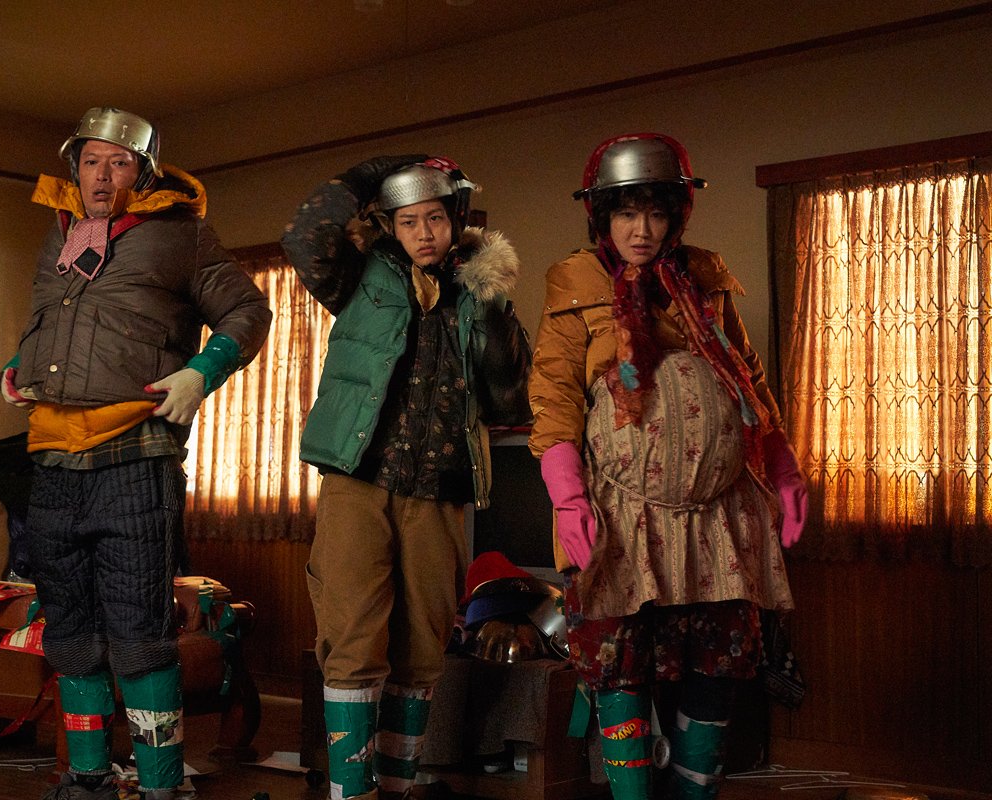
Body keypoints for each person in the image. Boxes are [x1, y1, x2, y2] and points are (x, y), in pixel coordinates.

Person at [0, 107, 272, 800]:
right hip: (53, 460)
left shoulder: (182, 235)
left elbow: (249, 312)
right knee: (70, 632)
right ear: (75, 167)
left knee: (140, 632)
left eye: (118, 162)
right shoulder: (59, 233)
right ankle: (86, 780)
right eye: (91, 160)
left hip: (135, 457)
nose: (102, 175)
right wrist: (18, 364)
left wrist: (201, 373)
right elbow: (53, 322)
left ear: (144, 173)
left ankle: (160, 788)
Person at [528, 133, 807, 800]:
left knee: (717, 662)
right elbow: (553, 396)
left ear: (677, 215)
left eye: (656, 214)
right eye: (627, 214)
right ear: (602, 216)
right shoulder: (574, 285)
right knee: (620, 662)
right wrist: (568, 496)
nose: (642, 231)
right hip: (623, 515)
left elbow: (749, 381)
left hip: (719, 514)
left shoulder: (707, 280)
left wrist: (784, 469)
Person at [281, 155, 532, 800]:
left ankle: (396, 787)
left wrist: (491, 299)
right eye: (409, 221)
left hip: (441, 487)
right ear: (390, 225)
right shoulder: (360, 273)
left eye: (436, 219)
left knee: (423, 646)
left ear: (457, 220)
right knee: (352, 632)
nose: (424, 233)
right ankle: (351, 793)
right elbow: (305, 236)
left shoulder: (479, 290)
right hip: (359, 478)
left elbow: (510, 398)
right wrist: (374, 173)